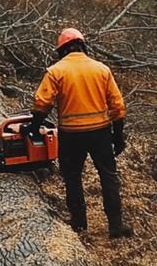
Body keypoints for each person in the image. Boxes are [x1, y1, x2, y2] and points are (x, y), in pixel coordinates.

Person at [29, 28, 132, 238]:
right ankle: (115, 225)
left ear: (62, 50)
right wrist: (118, 135)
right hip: (100, 132)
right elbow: (117, 104)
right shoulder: (102, 69)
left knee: (73, 177)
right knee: (108, 176)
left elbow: (42, 103)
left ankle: (79, 225)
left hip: (71, 134)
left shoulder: (56, 71)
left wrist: (33, 128)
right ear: (83, 45)